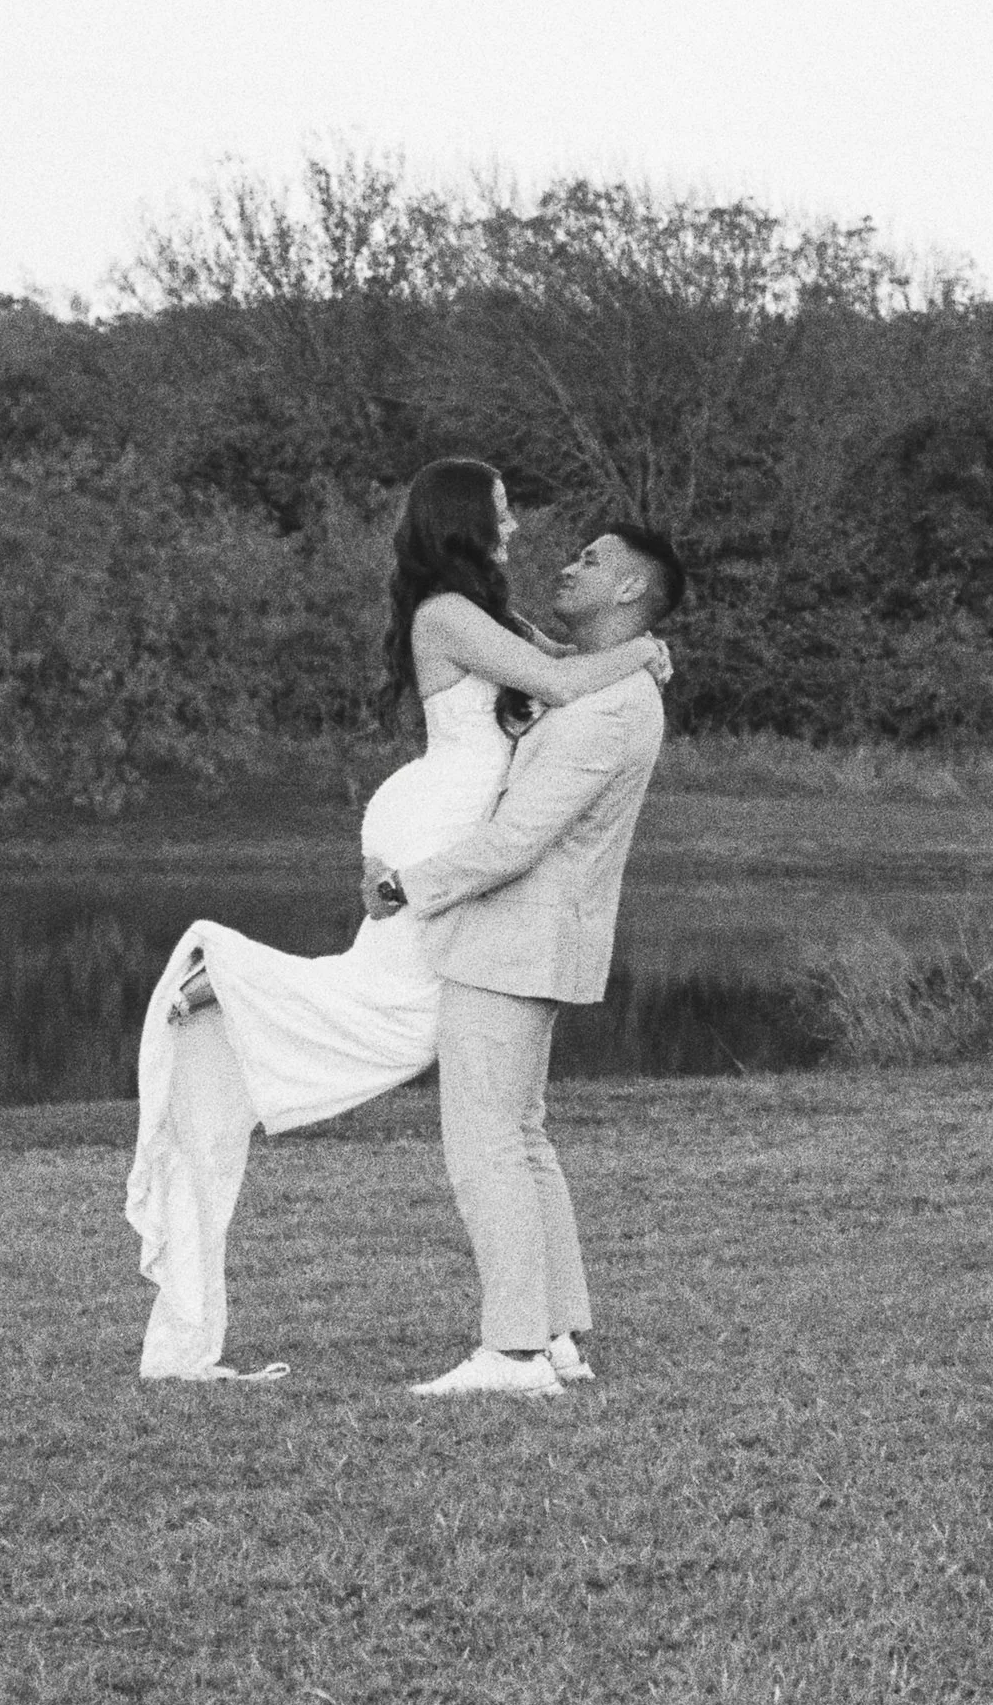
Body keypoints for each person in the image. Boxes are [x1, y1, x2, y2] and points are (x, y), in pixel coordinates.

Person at [123, 456, 670, 1380]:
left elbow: (561, 671)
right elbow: (569, 685)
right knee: (407, 1024)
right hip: (446, 828)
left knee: (428, 1046)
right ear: (462, 521)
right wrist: (647, 651)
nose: (518, 527)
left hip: (456, 838)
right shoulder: (446, 615)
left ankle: (544, 1334)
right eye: (502, 510)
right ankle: (234, 978)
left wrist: (624, 656)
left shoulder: (487, 615)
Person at [363, 519, 684, 1398]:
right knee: (524, 1139)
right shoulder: (604, 690)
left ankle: (511, 1354)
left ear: (629, 590)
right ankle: (559, 1336)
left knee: (485, 1150)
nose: (570, 564)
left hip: (512, 943)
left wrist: (405, 885)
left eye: (592, 559)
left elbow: (514, 842)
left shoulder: (612, 708)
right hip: (529, 944)